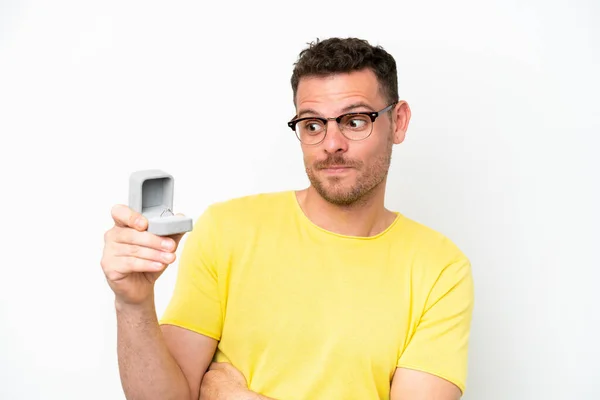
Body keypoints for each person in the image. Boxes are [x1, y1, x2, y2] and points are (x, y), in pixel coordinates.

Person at [101, 37, 475, 400]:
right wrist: (133, 303)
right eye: (313, 124)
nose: (332, 144)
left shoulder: (440, 268)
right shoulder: (227, 229)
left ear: (399, 122)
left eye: (355, 121)